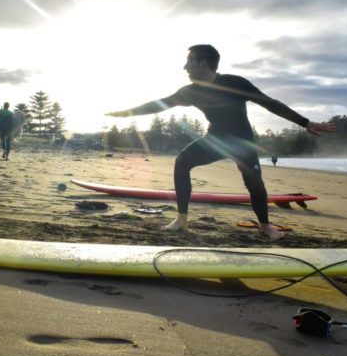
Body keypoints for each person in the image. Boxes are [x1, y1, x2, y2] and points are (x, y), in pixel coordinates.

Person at [107, 44, 335, 240]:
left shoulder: (235, 83)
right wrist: (125, 114)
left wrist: (304, 122)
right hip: (215, 140)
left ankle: (265, 226)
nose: (185, 67)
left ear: (204, 64)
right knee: (182, 162)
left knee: (254, 183)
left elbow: (270, 103)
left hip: (243, 143)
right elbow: (160, 104)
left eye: (189, 62)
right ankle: (182, 219)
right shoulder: (190, 91)